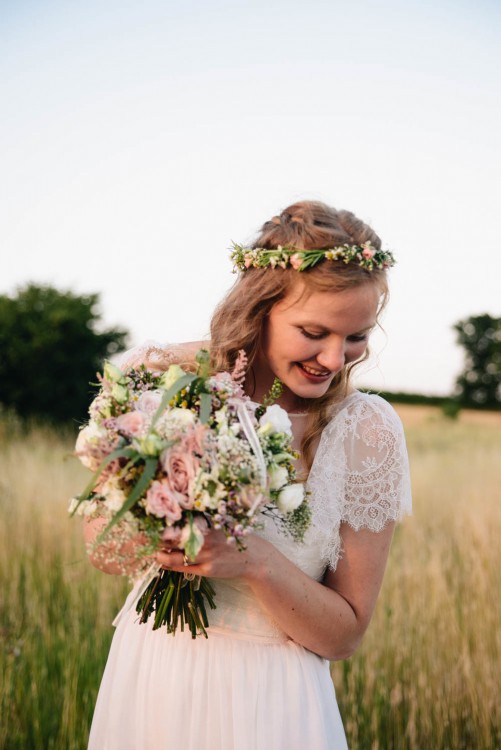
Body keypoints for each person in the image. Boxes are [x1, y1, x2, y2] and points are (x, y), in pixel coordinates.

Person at [84, 200, 412, 750]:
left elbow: (345, 634)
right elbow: (100, 550)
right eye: (314, 331)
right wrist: (162, 509)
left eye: (357, 336)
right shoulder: (171, 387)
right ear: (260, 307)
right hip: (154, 673)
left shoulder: (366, 431)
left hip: (274, 701)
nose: (335, 359)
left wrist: (256, 561)